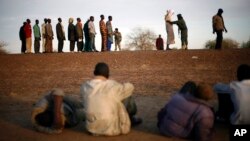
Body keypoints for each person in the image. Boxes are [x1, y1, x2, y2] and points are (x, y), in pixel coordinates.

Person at [80, 62, 142, 136]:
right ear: (108, 75)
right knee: (127, 96)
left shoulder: (84, 86)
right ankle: (131, 118)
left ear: (94, 73)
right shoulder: (112, 85)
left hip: (92, 128)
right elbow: (130, 87)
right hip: (111, 128)